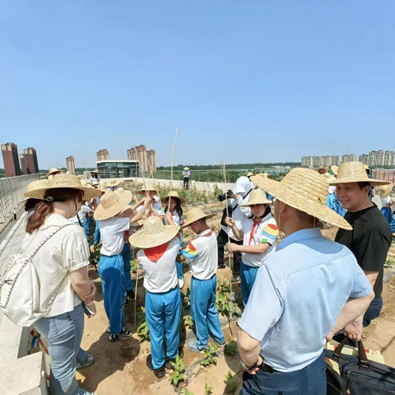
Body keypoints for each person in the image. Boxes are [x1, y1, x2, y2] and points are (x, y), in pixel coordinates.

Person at [237, 168, 374, 395]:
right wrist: (331, 328)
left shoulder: (277, 267)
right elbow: (366, 294)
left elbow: (247, 343)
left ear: (286, 207)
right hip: (316, 366)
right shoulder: (343, 254)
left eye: (277, 202)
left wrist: (251, 363)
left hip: (278, 376)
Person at [22, 174, 101, 395]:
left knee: (61, 355)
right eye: (82, 201)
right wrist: (89, 300)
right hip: (61, 312)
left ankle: (80, 361)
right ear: (76, 198)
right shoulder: (70, 231)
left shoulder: (37, 224)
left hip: (40, 308)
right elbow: (79, 280)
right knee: (63, 369)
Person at [332, 162, 392, 328]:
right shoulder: (353, 213)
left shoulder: (372, 227)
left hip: (357, 302)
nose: (341, 194)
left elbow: (368, 279)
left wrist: (354, 316)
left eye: (348, 189)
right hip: (346, 296)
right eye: (338, 188)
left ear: (366, 190)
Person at [130, 216, 182, 379]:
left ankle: (158, 365)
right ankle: (172, 357)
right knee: (172, 328)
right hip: (171, 294)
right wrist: (167, 220)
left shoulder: (141, 255)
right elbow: (178, 235)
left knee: (156, 332)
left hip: (153, 297)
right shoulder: (173, 247)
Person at [94, 190, 150, 341]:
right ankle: (117, 330)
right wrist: (145, 204)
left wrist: (139, 202)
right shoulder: (116, 224)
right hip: (114, 262)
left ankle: (112, 324)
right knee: (117, 298)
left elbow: (127, 213)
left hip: (104, 261)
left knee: (108, 297)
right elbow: (136, 217)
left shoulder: (104, 221)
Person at [177, 207, 225, 352]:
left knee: (198, 313)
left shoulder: (197, 244)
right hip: (211, 279)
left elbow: (180, 258)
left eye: (191, 226)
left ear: (197, 223)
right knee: (211, 308)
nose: (191, 229)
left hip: (200, 282)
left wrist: (175, 250)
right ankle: (219, 336)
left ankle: (202, 343)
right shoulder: (211, 235)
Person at [225, 189, 278, 305]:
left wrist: (238, 248)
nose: (256, 209)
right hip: (246, 265)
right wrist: (233, 225)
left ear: (265, 205)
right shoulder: (249, 221)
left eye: (258, 205)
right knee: (247, 295)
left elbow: (261, 248)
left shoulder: (270, 224)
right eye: (253, 206)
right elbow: (240, 237)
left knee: (260, 299)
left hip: (260, 267)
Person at [217, 176, 253, 281]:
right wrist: (227, 198)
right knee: (218, 242)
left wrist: (239, 199)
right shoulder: (235, 191)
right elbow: (229, 207)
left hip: (239, 227)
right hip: (229, 225)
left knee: (237, 253)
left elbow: (249, 213)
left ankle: (237, 273)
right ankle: (220, 263)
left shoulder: (251, 197)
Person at [161, 191, 186, 288]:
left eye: (172, 203)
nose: (170, 205)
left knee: (177, 257)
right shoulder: (165, 211)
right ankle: (172, 276)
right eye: (168, 202)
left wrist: (169, 219)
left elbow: (177, 227)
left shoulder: (176, 214)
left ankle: (180, 277)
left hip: (176, 236)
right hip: (167, 236)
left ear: (176, 204)